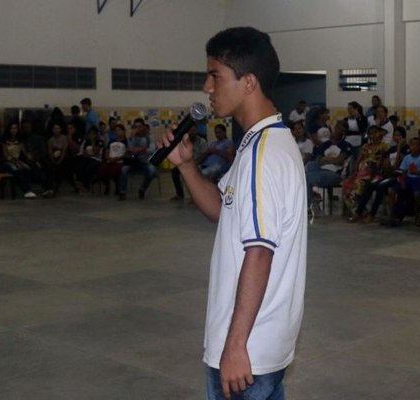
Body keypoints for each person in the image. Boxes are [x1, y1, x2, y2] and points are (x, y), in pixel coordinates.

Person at [158, 27, 306, 400]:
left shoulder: (262, 155)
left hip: (247, 353)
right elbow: (223, 211)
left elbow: (260, 252)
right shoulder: (262, 143)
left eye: (215, 75)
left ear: (249, 82)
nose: (207, 87)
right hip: (262, 348)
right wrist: (187, 167)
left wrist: (235, 345)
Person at [118, 118, 157, 200]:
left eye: (140, 126)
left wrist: (141, 149)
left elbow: (152, 149)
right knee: (124, 169)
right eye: (136, 127)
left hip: (145, 162)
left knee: (152, 170)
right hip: (134, 162)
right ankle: (122, 192)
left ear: (143, 127)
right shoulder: (132, 138)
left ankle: (142, 189)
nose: (138, 129)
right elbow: (130, 149)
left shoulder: (149, 137)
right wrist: (132, 137)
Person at [170, 124, 207, 201]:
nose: (192, 132)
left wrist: (194, 164)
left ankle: (195, 197)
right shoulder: (184, 142)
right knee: (174, 171)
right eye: (190, 130)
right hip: (187, 163)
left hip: (199, 163)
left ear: (197, 131)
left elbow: (204, 156)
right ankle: (179, 194)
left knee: (192, 173)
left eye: (194, 130)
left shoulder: (202, 141)